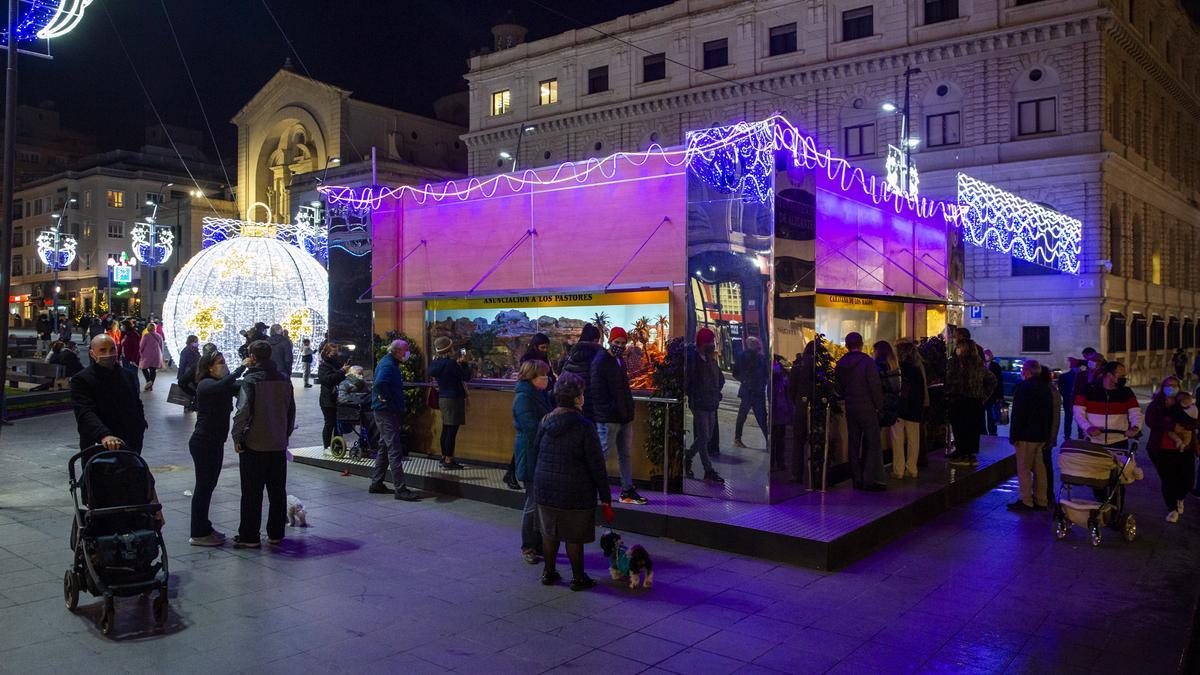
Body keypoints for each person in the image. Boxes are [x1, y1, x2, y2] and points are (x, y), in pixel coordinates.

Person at [530, 373, 612, 591]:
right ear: (577, 399)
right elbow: (596, 465)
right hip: (575, 490)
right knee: (574, 536)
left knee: (549, 532)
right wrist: (605, 496)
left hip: (545, 486)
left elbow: (536, 451)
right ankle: (578, 578)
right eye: (582, 394)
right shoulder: (584, 426)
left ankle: (549, 572)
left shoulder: (546, 421)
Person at [230, 340, 296, 548]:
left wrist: (237, 436)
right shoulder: (285, 379)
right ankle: (276, 533)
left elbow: (242, 411)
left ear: (253, 357)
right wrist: (284, 435)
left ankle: (249, 536)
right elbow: (291, 411)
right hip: (277, 443)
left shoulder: (251, 380)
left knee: (251, 491)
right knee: (277, 491)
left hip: (254, 444)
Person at [187, 349, 247, 546]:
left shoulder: (220, 386)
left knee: (208, 486)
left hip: (214, 442)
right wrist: (242, 367)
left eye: (223, 361)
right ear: (209, 367)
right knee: (203, 488)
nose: (223, 365)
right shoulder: (205, 384)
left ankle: (204, 527)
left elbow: (236, 386)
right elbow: (225, 383)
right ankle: (198, 532)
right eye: (219, 362)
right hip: (203, 443)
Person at [589, 326, 644, 505]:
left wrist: (627, 410)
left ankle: (627, 490)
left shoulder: (619, 361)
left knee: (624, 455)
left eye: (622, 343)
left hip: (623, 417)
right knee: (602, 455)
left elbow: (624, 389)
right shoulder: (601, 361)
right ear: (610, 341)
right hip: (609, 418)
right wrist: (610, 410)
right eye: (616, 342)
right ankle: (590, 489)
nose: (619, 346)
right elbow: (597, 391)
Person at [1073, 360, 1140, 502]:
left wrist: (1135, 427)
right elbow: (1078, 412)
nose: (1124, 378)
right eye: (1121, 375)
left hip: (1118, 441)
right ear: (1109, 375)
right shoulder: (1088, 389)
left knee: (1117, 478)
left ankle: (1115, 509)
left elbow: (1135, 412)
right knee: (1097, 478)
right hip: (1095, 442)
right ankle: (1102, 504)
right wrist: (1088, 427)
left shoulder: (1126, 392)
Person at [70, 334, 147, 454]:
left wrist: (140, 425)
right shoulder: (82, 379)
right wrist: (104, 435)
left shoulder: (128, 375)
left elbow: (136, 402)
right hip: (99, 442)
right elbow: (85, 411)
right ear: (92, 354)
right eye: (102, 350)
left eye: (112, 349)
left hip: (130, 440)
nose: (108, 354)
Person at [369, 339, 419, 501]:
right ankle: (400, 489)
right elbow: (380, 383)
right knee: (394, 448)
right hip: (386, 411)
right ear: (397, 351)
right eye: (406, 350)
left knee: (384, 446)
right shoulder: (388, 365)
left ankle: (376, 483)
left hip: (386, 411)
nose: (407, 353)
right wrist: (385, 397)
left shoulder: (389, 362)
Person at [836, 332, 886, 491]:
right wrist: (879, 406)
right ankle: (868, 479)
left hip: (851, 408)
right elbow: (875, 386)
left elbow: (838, 388)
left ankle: (856, 479)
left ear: (846, 345)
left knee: (853, 443)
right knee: (872, 444)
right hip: (868, 408)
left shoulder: (841, 363)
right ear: (862, 344)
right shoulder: (867, 362)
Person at [514, 359, 552, 565]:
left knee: (538, 502)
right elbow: (531, 427)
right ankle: (528, 545)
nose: (547, 379)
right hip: (530, 453)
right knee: (532, 503)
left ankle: (538, 544)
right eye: (543, 375)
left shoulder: (539, 394)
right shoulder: (524, 398)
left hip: (538, 452)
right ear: (531, 378)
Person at [1144, 375, 1195, 523]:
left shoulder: (1185, 402)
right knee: (1168, 479)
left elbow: (1195, 420)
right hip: (1162, 448)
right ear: (1163, 387)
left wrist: (1188, 426)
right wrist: (1171, 426)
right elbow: (1151, 421)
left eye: (1174, 385)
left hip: (1186, 448)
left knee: (1187, 479)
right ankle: (1172, 508)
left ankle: (1180, 497)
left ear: (1179, 387)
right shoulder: (1157, 404)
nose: (1171, 388)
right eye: (1168, 385)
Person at [1007, 360, 1052, 512]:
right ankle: (1041, 500)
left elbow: (1019, 413)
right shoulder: (1046, 388)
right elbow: (1050, 413)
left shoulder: (1024, 388)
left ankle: (1026, 500)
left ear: (1027, 371)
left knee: (1024, 469)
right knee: (1040, 468)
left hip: (1026, 434)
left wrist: (1014, 435)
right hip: (1040, 435)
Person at [685, 327, 725, 484]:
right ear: (702, 343)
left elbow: (719, 378)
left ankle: (687, 456)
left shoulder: (710, 360)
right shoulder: (694, 360)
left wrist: (715, 392)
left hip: (711, 402)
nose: (713, 345)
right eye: (710, 342)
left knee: (706, 436)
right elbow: (690, 382)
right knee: (703, 436)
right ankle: (708, 469)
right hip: (700, 403)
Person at [946, 338, 994, 466]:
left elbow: (952, 380)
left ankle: (963, 455)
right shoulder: (978, 365)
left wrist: (983, 396)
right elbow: (991, 380)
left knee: (961, 427)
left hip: (962, 400)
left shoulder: (962, 365)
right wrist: (983, 396)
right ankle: (969, 455)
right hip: (974, 401)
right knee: (972, 429)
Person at [428, 336, 472, 470]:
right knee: (451, 431)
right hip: (453, 399)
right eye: (452, 346)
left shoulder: (435, 363)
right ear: (448, 349)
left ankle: (444, 456)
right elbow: (466, 376)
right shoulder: (450, 363)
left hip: (443, 398)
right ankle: (449, 460)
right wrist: (464, 363)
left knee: (446, 429)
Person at [894, 340, 926, 479]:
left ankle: (898, 470)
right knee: (914, 439)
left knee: (897, 439)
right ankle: (912, 468)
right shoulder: (917, 368)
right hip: (914, 409)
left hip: (899, 408)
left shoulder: (897, 368)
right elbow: (921, 391)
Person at [561, 324, 603, 421]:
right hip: (591, 407)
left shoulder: (571, 356)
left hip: (572, 405)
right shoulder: (597, 357)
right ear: (595, 340)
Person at [787, 342, 816, 483]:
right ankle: (814, 473)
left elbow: (791, 387)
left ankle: (796, 474)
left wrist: (797, 401)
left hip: (800, 406)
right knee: (815, 441)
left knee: (798, 441)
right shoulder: (818, 365)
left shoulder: (798, 364)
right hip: (815, 407)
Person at [732, 336, 768, 449]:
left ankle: (738, 438)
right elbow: (736, 372)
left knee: (758, 417)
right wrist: (746, 380)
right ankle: (738, 438)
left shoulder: (758, 357)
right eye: (756, 343)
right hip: (751, 391)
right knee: (748, 416)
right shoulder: (745, 357)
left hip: (754, 391)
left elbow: (765, 374)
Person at [874, 340, 902, 479]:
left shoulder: (879, 366)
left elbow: (875, 387)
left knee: (874, 439)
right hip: (893, 406)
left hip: (881, 406)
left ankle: (876, 471)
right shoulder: (895, 366)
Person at [317, 342, 348, 450]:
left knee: (338, 424)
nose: (336, 355)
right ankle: (327, 447)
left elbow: (340, 377)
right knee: (329, 423)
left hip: (338, 399)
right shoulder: (323, 366)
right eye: (333, 353)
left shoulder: (336, 364)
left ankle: (338, 446)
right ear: (327, 353)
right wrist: (342, 371)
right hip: (328, 400)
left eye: (336, 353)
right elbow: (328, 380)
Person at [1042, 366, 1061, 508]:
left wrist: (1051, 437)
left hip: (1045, 435)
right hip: (1047, 435)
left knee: (1045, 464)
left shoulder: (1049, 391)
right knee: (1045, 464)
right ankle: (1047, 493)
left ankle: (1047, 493)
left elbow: (1054, 417)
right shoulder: (1052, 390)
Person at [770, 355, 793, 471]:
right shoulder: (779, 375)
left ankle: (777, 461)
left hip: (779, 409)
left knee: (777, 437)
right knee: (777, 437)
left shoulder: (779, 375)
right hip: (778, 409)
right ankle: (777, 461)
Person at [1057, 358, 1080, 444]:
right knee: (1069, 418)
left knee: (1074, 418)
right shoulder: (1065, 376)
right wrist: (1066, 395)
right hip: (1069, 400)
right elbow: (1061, 388)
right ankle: (1068, 435)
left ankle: (1073, 435)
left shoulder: (1066, 376)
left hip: (1074, 400)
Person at [138, 324, 164, 392]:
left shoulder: (146, 336)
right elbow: (161, 347)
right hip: (157, 354)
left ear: (148, 328)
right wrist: (161, 355)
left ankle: (148, 381)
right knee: (153, 370)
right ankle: (150, 385)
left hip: (147, 355)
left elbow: (141, 345)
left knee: (144, 368)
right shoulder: (159, 336)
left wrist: (140, 352)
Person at [984, 350, 1005, 436]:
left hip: (993, 395)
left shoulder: (995, 366)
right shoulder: (981, 366)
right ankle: (984, 432)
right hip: (983, 395)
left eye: (987, 355)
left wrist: (1000, 396)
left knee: (991, 415)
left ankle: (992, 431)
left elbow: (999, 382)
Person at [118, 320, 141, 387]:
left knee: (133, 376)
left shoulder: (134, 334)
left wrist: (133, 360)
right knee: (127, 376)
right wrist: (118, 357)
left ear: (126, 326)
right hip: (124, 358)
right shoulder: (123, 334)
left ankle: (136, 392)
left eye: (122, 325)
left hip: (131, 359)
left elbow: (136, 348)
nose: (121, 327)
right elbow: (121, 346)